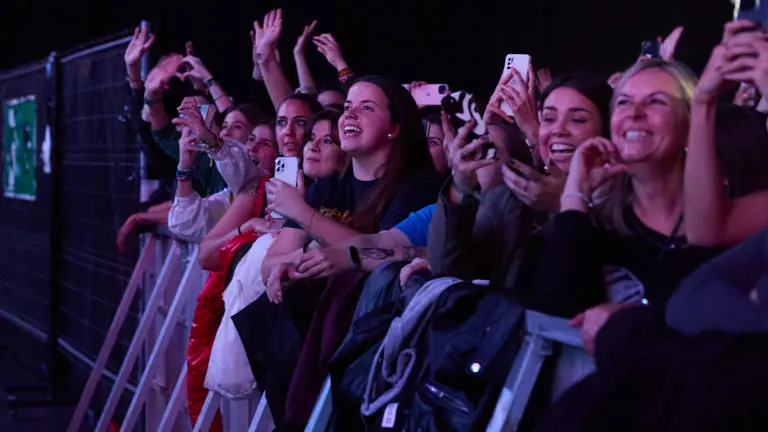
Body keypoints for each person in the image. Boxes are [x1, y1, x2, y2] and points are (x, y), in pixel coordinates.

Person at [534, 60, 721, 353]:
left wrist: (636, 320)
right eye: (623, 102)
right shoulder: (594, 223)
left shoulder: (724, 219)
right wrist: (574, 192)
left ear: (691, 125)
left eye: (656, 101)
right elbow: (557, 318)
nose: (634, 113)